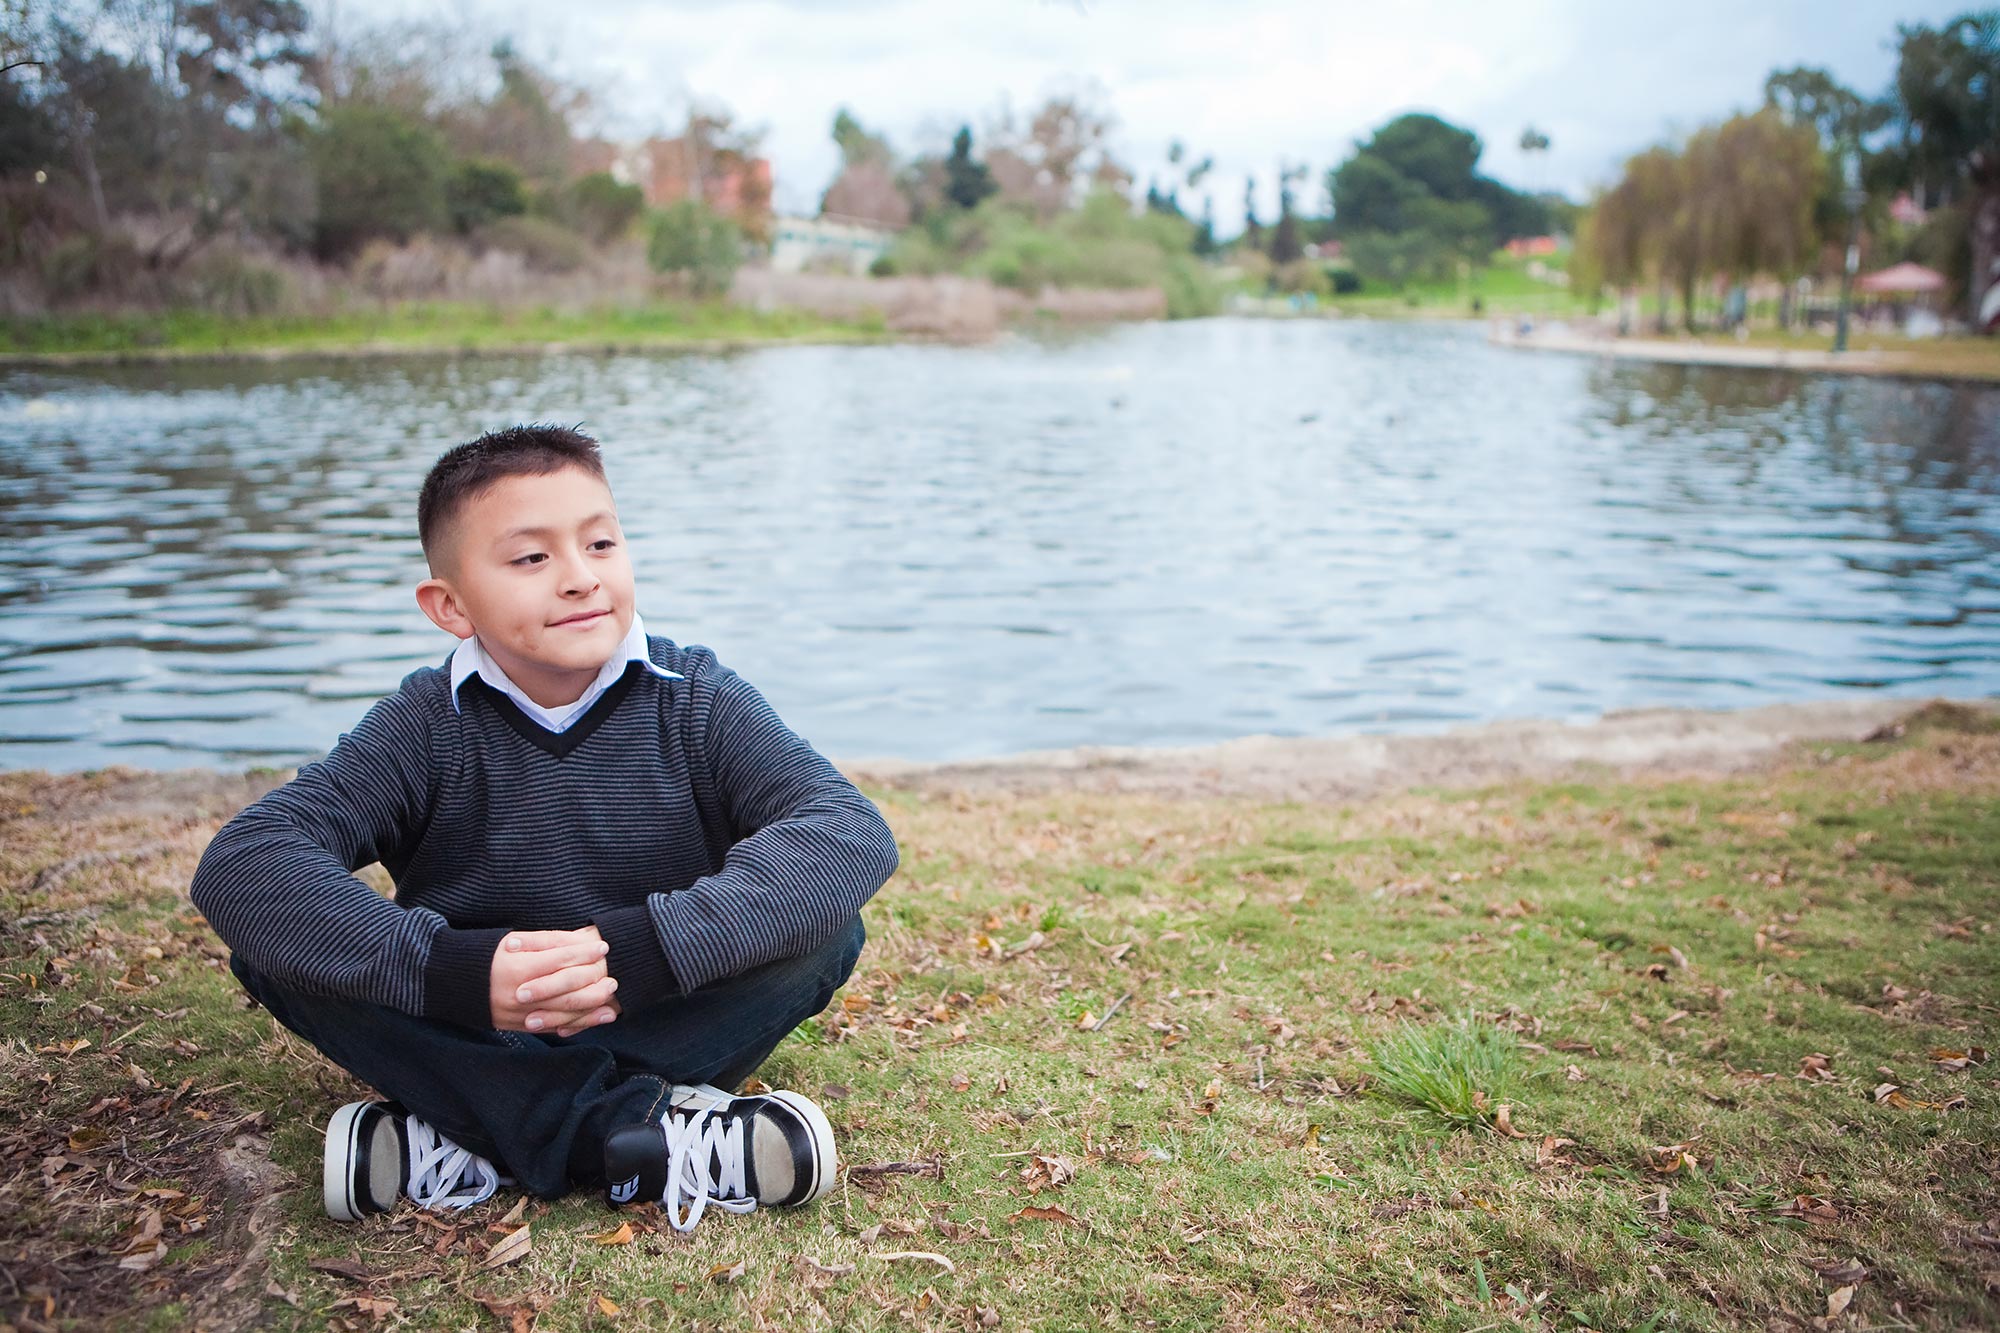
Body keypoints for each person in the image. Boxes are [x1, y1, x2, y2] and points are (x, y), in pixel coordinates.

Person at [189, 424, 898, 1233]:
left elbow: (846, 829)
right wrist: (457, 973)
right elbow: (246, 861)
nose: (580, 578)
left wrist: (641, 953)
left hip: (657, 1005)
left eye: (600, 542)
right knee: (280, 949)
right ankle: (644, 1136)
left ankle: (468, 1133)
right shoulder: (423, 724)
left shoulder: (694, 696)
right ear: (450, 605)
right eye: (532, 558)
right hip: (473, 1020)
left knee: (825, 928)